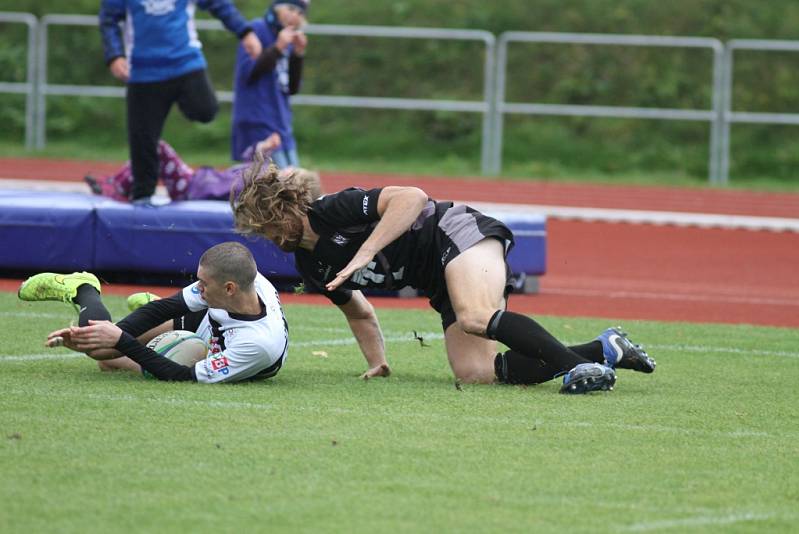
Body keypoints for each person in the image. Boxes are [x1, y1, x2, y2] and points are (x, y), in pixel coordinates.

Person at [231, 153, 657, 393]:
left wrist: (365, 252)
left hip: (456, 232)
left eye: (266, 226)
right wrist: (378, 361)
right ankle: (604, 350)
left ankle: (574, 369)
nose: (267, 237)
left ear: (283, 210)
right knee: (475, 374)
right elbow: (358, 312)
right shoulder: (310, 263)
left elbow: (412, 198)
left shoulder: (331, 210)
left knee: (474, 316)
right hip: (439, 280)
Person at [17, 242, 289, 384]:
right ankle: (84, 288)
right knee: (99, 348)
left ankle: (154, 333)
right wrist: (112, 335)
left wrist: (119, 340)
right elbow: (169, 306)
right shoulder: (238, 285)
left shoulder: (257, 344)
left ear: (230, 288)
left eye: (204, 284)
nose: (199, 287)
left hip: (219, 350)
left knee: (106, 359)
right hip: (205, 320)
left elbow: (184, 377)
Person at [100, 0, 263, 205]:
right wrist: (114, 55)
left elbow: (218, 4)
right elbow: (108, 20)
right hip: (144, 72)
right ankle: (142, 195)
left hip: (185, 64)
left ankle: (176, 98)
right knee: (142, 137)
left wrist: (245, 32)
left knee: (206, 110)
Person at [83, 134, 292, 202]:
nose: (288, 168)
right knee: (155, 151)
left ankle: (119, 187)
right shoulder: (262, 171)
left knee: (157, 147)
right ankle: (118, 183)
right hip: (194, 180)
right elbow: (253, 158)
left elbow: (257, 173)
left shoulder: (261, 182)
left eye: (293, 172)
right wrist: (265, 146)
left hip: (191, 189)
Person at [232, 0, 309, 168]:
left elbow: (292, 88)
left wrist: (298, 54)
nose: (295, 15)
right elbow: (248, 74)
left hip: (281, 124)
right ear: (277, 7)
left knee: (296, 184)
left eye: (300, 12)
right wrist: (278, 47)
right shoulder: (257, 29)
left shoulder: (284, 36)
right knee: (278, 186)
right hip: (258, 122)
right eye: (290, 8)